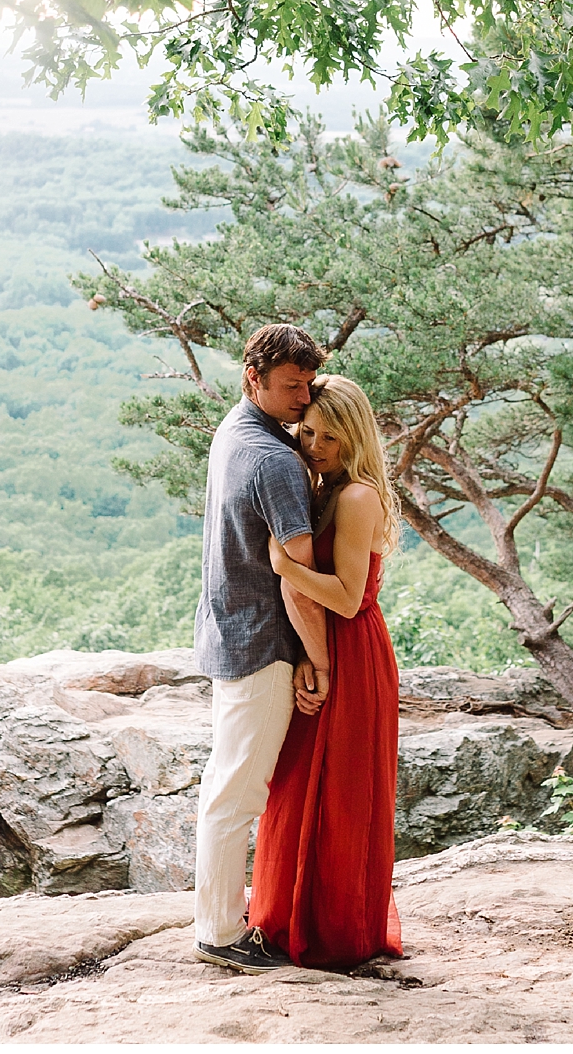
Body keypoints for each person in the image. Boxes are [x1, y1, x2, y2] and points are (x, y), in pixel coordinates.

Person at [249, 374, 404, 969]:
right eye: (307, 430)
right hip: (324, 645)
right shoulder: (323, 485)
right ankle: (291, 916)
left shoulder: (357, 496)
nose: (312, 445)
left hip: (354, 652)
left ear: (354, 440)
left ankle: (336, 931)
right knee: (297, 783)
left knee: (340, 794)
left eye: (328, 437)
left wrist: (283, 564)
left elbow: (345, 596)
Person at [191, 322, 329, 972]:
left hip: (227, 630)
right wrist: (318, 660)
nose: (304, 398)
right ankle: (219, 932)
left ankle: (222, 917)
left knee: (228, 783)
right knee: (236, 792)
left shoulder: (233, 431)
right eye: (290, 386)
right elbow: (297, 580)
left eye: (307, 384)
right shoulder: (274, 459)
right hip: (262, 642)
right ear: (254, 378)